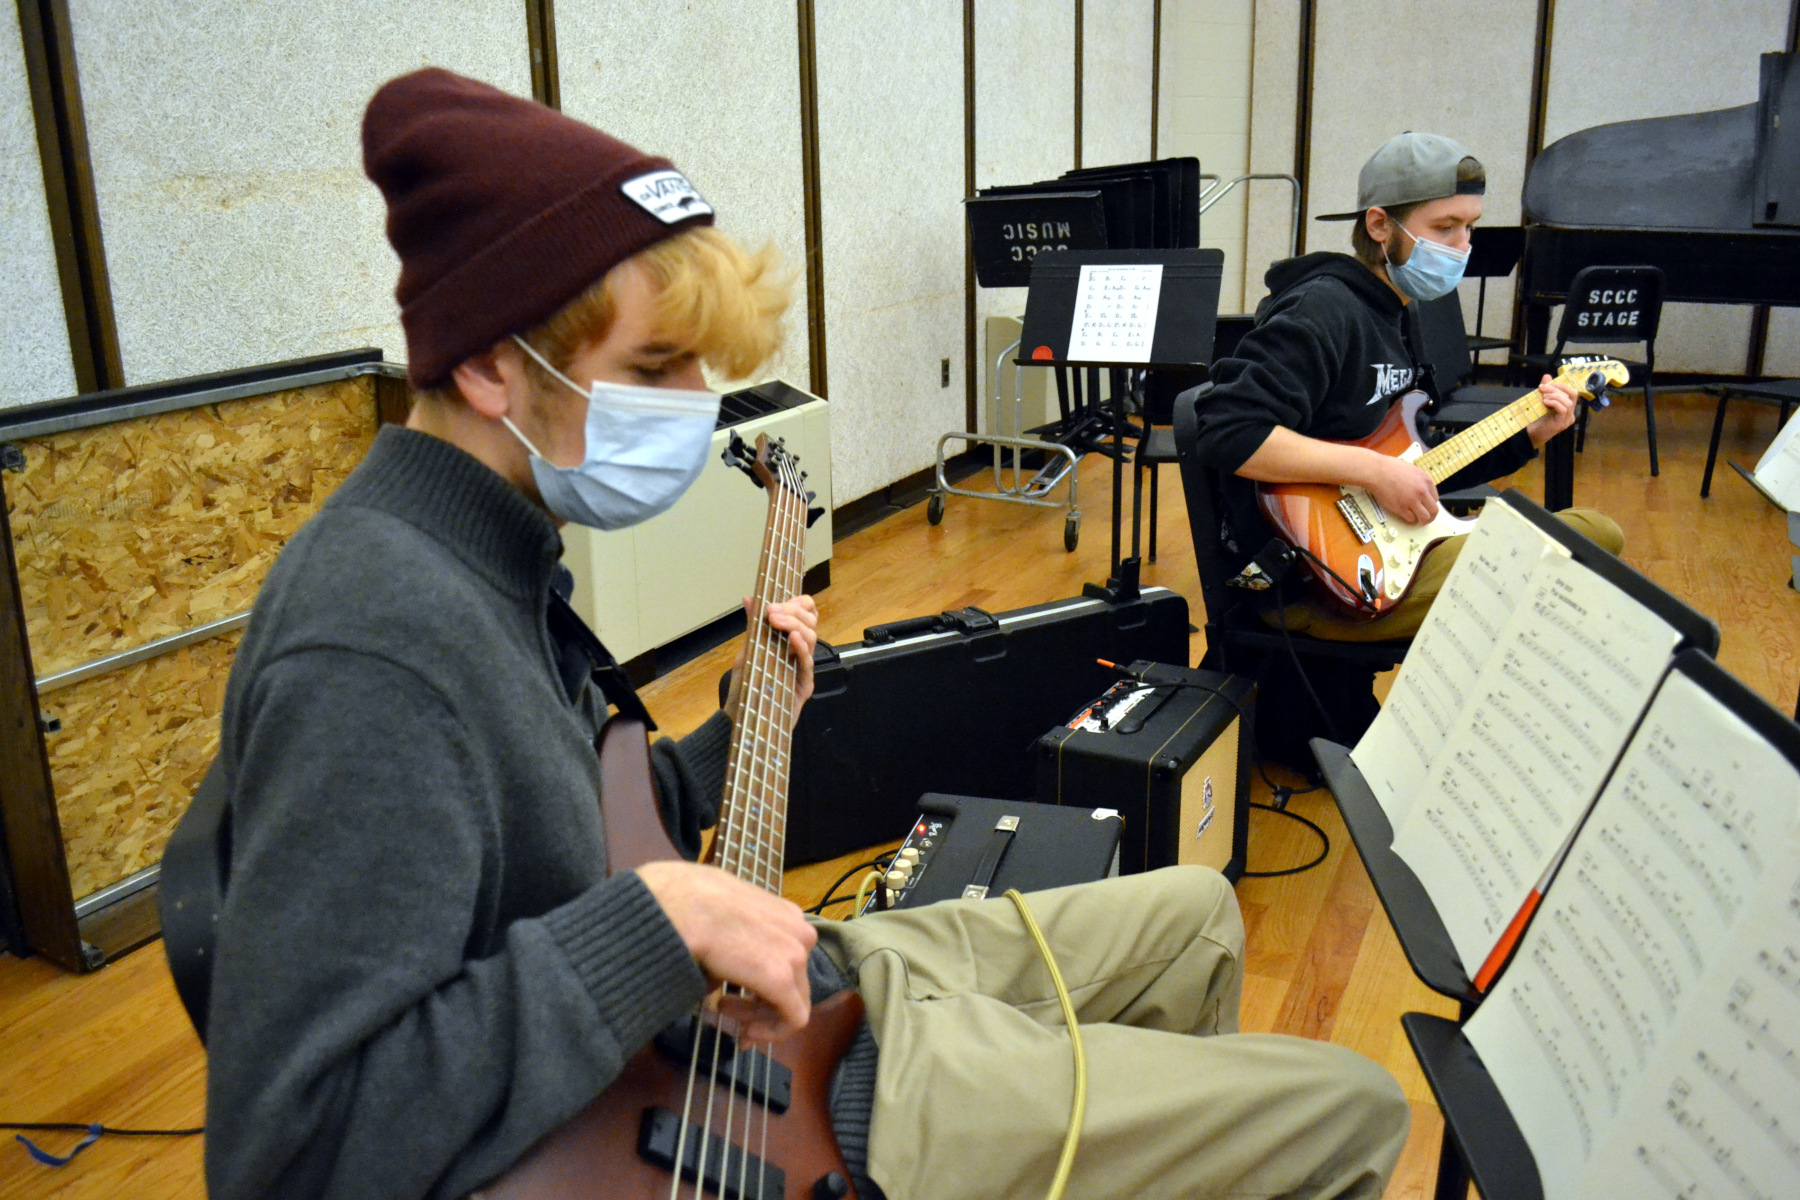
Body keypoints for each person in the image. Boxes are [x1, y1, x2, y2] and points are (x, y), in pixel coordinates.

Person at [198, 69, 1407, 1200]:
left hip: (750, 1002)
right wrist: (665, 923)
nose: (697, 411)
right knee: (1351, 1105)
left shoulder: (488, 548)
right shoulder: (373, 647)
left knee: (1194, 908)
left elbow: (573, 838)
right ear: (483, 367)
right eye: (656, 366)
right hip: (734, 1096)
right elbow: (299, 1143)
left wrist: (737, 734)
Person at [1191, 131, 1623, 644]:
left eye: (1469, 227)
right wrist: (1375, 472)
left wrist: (1528, 433)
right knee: (1592, 535)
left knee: (1587, 539)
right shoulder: (1324, 310)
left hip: (1379, 546)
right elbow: (1228, 431)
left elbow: (1418, 464)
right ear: (1379, 225)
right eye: (1445, 227)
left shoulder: (1395, 312)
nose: (1463, 246)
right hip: (1313, 582)